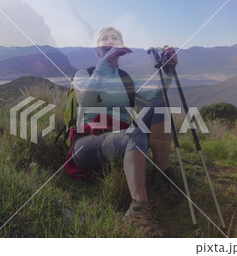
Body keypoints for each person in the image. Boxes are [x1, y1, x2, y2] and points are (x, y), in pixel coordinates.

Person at [66, 26, 177, 237]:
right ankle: (138, 210)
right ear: (96, 49)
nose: (110, 41)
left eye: (114, 39)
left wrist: (168, 71)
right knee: (133, 133)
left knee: (160, 105)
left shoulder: (126, 79)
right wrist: (105, 63)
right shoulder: (84, 74)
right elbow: (87, 99)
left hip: (124, 141)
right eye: (104, 39)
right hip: (89, 143)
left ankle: (162, 178)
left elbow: (155, 95)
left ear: (122, 46)